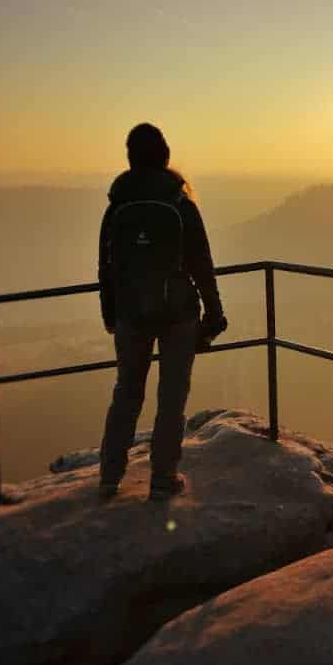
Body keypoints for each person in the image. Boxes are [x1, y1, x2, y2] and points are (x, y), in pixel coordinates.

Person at [97, 123, 227, 501]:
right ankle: (162, 480)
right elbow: (202, 264)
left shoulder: (117, 206)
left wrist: (111, 314)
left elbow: (105, 267)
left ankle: (109, 477)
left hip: (130, 315)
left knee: (126, 393)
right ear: (165, 155)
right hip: (178, 315)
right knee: (171, 399)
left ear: (130, 158)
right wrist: (214, 314)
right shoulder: (180, 204)